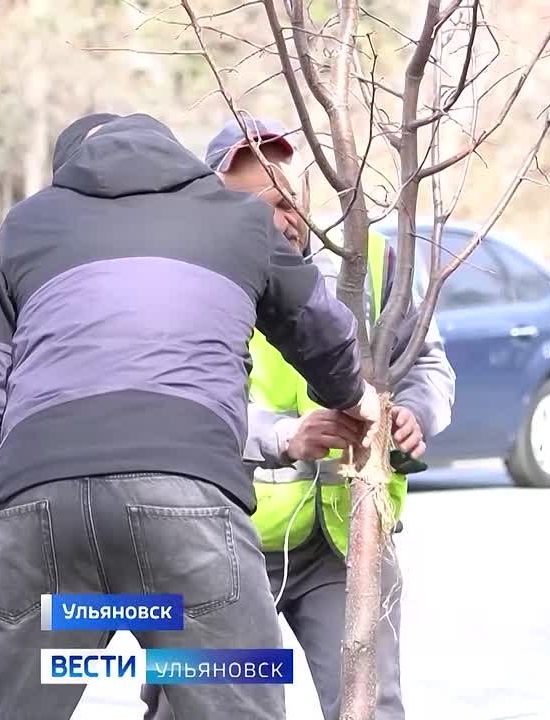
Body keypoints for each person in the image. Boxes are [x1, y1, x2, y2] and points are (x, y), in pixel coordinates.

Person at [0, 113, 376, 720]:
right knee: (235, 694)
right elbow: (321, 326)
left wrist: (40, 485)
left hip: (42, 512)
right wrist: (352, 396)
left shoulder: (27, 224)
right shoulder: (238, 217)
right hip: (184, 511)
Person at [140, 115, 455, 720]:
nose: (280, 217)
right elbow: (180, 408)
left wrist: (415, 413)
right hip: (225, 545)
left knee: (368, 706)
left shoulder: (371, 262)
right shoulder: (189, 276)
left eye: (287, 199)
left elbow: (429, 364)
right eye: (257, 205)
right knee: (201, 706)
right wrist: (285, 436)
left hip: (340, 542)